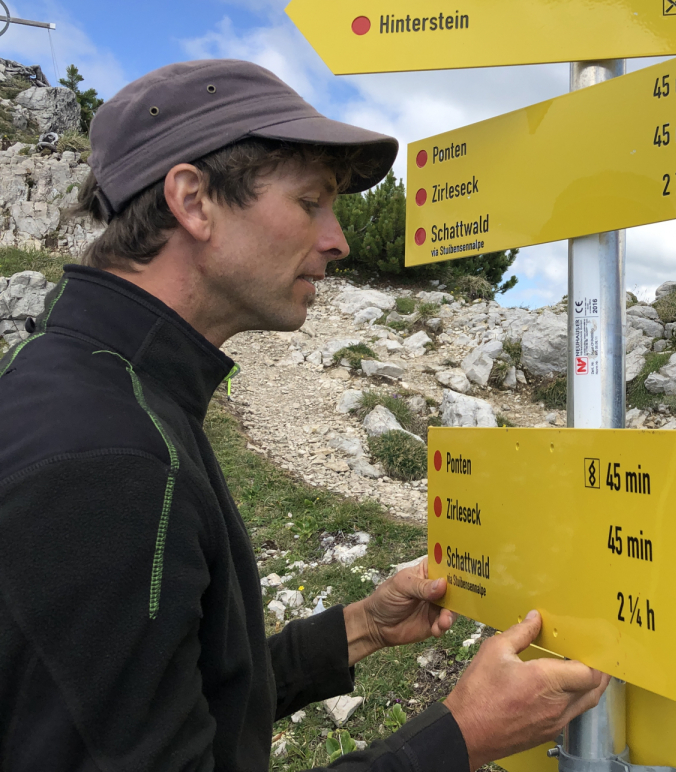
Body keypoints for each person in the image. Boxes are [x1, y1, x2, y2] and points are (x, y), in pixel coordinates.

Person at [0, 59, 608, 770]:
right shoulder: (114, 465)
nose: (339, 239)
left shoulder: (81, 382)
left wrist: (355, 631)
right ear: (194, 201)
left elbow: (153, 695)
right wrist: (460, 734)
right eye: (311, 202)